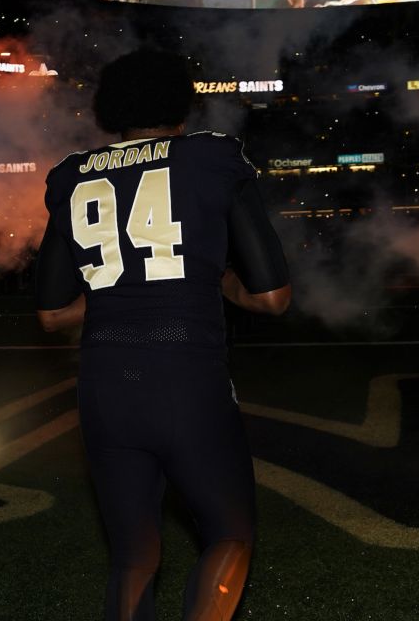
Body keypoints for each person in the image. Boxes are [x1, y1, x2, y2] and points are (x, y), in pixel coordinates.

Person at [34, 48, 291, 621]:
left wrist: (119, 290)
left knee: (131, 558)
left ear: (111, 109)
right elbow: (272, 296)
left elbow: (52, 313)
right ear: (181, 102)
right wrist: (214, 282)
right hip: (185, 378)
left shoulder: (74, 174)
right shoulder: (212, 159)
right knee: (229, 534)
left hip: (104, 384)